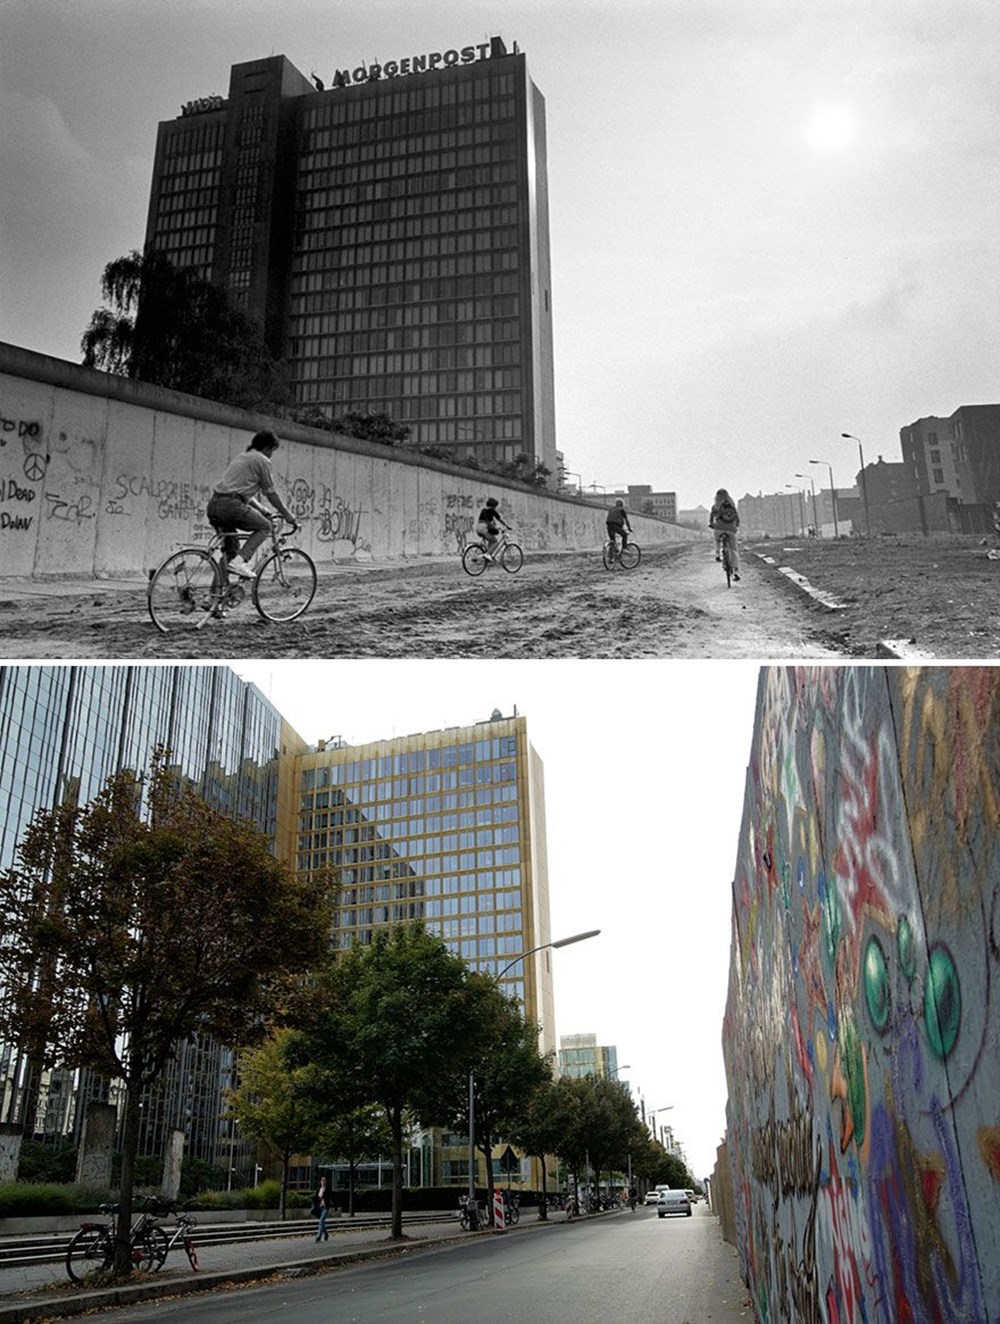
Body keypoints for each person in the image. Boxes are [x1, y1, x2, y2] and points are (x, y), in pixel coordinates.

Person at [207, 430, 299, 580]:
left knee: (230, 553)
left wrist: (263, 510)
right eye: (272, 451)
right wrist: (288, 515)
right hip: (231, 507)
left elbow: (241, 492)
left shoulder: (242, 457)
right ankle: (240, 562)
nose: (271, 455)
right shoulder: (262, 460)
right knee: (265, 527)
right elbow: (270, 492)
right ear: (267, 448)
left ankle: (213, 598)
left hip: (215, 505)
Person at [709, 488, 741, 581]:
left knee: (717, 539)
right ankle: (735, 571)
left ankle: (717, 554)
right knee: (734, 550)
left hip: (719, 528)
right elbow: (737, 519)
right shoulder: (732, 506)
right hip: (731, 529)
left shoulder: (715, 506)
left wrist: (711, 524)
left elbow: (711, 518)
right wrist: (736, 526)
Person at [312, 1174, 334, 1241]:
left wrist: (333, 1206)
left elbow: (332, 1197)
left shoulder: (328, 1189)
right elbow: (316, 1198)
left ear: (326, 1182)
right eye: (322, 1180)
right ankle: (326, 1234)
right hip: (320, 1208)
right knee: (322, 1222)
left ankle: (318, 1237)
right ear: (320, 1182)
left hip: (325, 1207)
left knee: (321, 1221)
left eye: (324, 1180)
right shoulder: (319, 1189)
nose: (323, 1181)